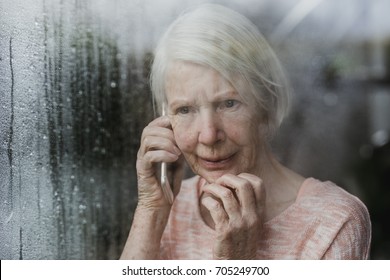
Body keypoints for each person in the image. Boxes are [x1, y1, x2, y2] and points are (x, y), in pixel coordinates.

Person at [120, 3, 371, 259]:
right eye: (185, 110)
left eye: (229, 104)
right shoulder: (168, 205)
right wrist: (151, 211)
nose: (208, 135)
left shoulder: (334, 221)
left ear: (265, 104)